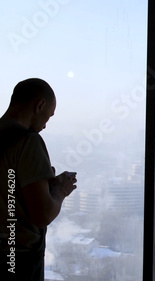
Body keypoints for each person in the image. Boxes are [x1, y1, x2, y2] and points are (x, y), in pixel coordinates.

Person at [0, 78, 77, 280]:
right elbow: (41, 215)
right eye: (48, 117)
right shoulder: (28, 142)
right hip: (17, 258)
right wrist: (60, 191)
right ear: (39, 105)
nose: (45, 125)